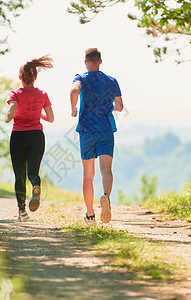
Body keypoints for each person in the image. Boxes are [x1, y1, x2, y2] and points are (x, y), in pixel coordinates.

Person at [70, 48, 123, 224]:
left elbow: (74, 91)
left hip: (87, 131)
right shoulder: (111, 81)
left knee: (88, 175)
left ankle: (90, 214)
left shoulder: (81, 78)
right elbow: (120, 106)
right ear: (100, 61)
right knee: (106, 170)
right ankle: (106, 197)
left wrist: (73, 109)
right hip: (106, 129)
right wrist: (110, 108)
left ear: (85, 62)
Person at [6, 55, 54, 222]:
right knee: (33, 172)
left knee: (19, 174)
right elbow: (51, 118)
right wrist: (37, 113)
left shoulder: (16, 94)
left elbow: (12, 112)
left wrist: (7, 118)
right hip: (37, 136)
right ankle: (36, 186)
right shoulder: (42, 94)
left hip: (19, 136)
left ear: (20, 78)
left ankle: (22, 211)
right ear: (35, 77)